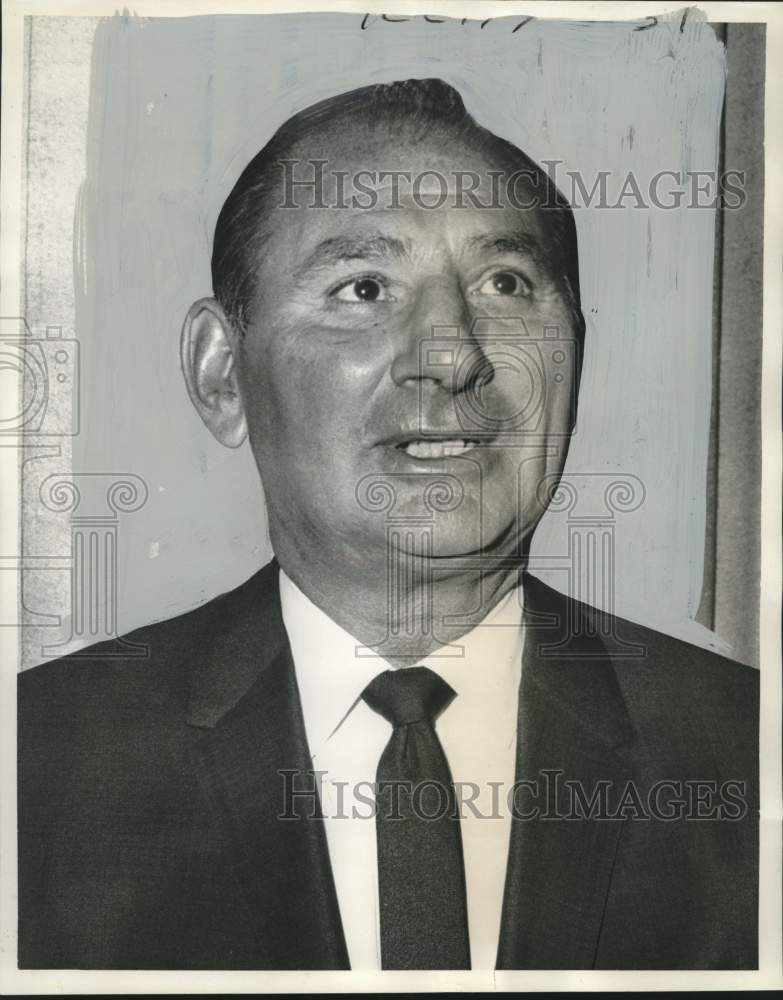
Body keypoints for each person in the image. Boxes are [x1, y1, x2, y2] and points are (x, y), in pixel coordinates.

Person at [18, 78, 758, 971]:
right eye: (364, 287)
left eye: (505, 283)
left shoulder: (747, 756)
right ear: (222, 374)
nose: (452, 355)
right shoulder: (37, 767)